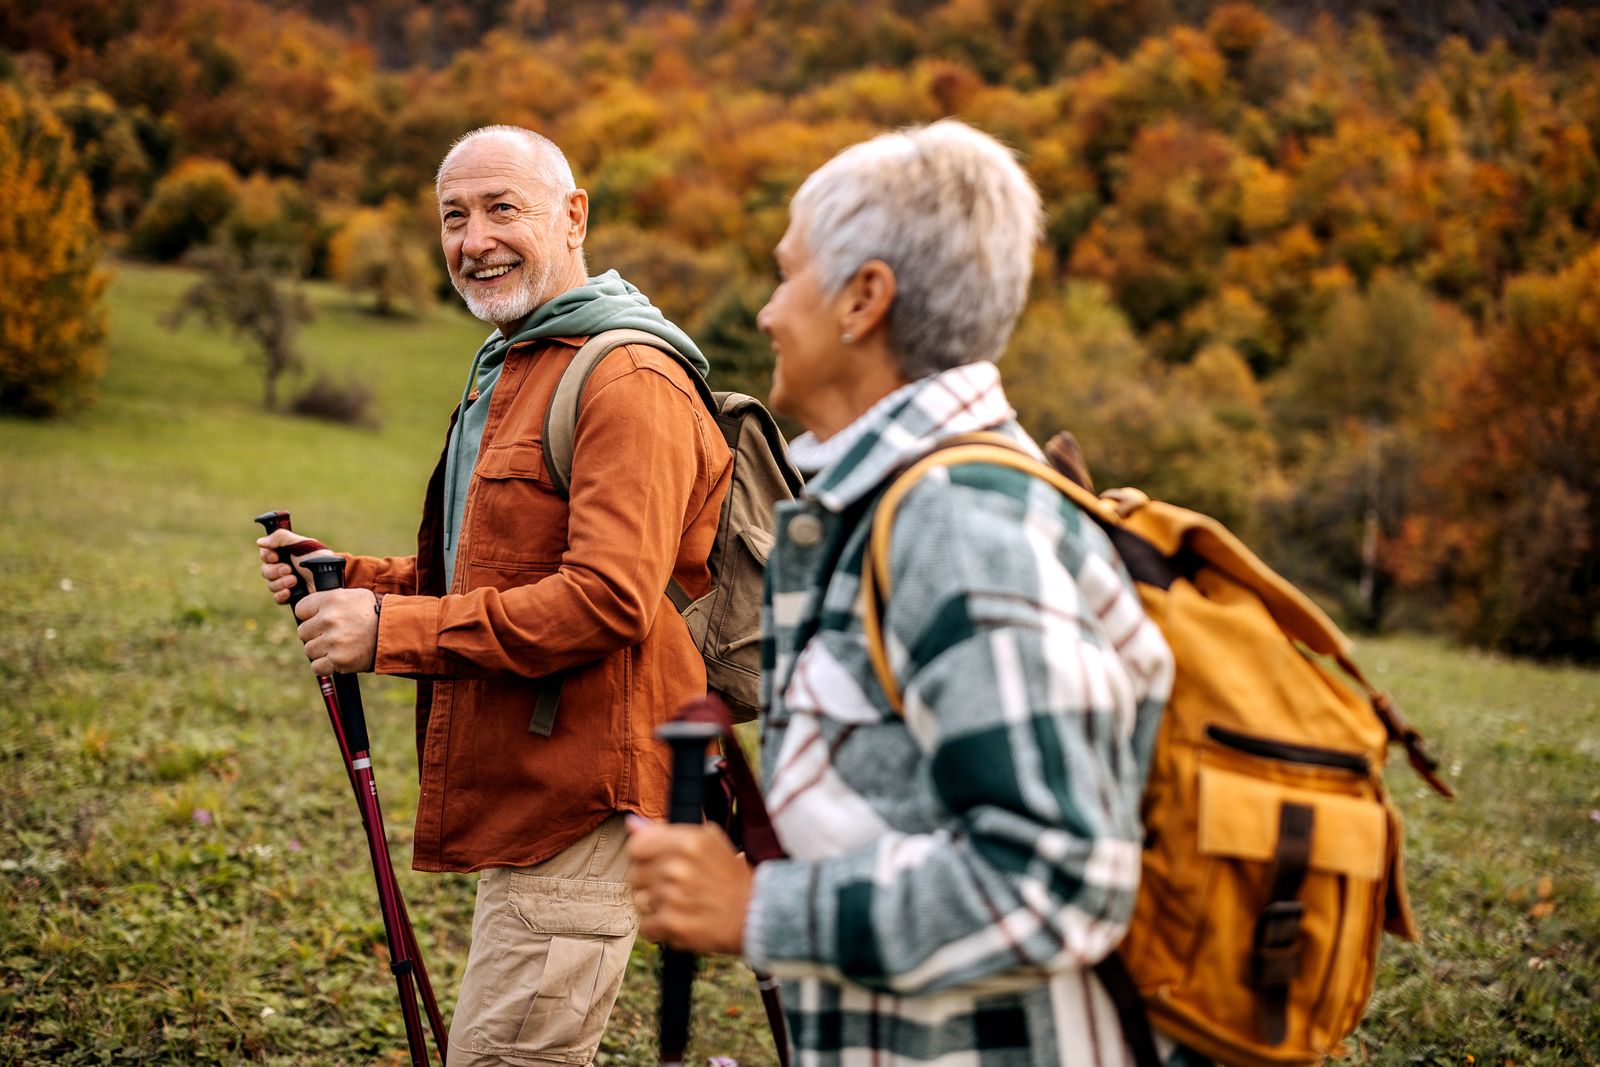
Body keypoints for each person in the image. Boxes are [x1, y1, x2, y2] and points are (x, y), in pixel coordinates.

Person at [624, 119, 1183, 1065]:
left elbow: (1057, 874)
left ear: (864, 299)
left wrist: (759, 907)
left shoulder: (958, 522)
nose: (766, 312)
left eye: (786, 273)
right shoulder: (897, 508)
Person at [257, 125, 732, 1067]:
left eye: (502, 208)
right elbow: (489, 580)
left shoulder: (626, 376)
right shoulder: (516, 367)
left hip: (586, 794)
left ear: (573, 214)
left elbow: (605, 602)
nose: (475, 239)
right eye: (454, 217)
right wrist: (348, 578)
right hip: (532, 788)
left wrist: (387, 628)